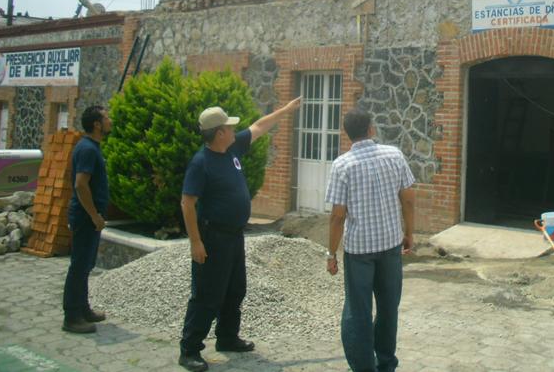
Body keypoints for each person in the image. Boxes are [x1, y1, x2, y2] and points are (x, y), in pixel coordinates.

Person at [178, 97, 301, 372]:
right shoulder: (201, 162)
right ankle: (189, 349)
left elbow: (258, 127)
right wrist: (195, 242)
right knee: (207, 294)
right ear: (219, 133)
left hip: (234, 237)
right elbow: (187, 203)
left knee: (235, 289)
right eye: (230, 128)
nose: (235, 131)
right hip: (213, 238)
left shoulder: (231, 150)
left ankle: (227, 337)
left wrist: (286, 110)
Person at [325, 108, 415, 372]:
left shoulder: (342, 165)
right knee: (389, 308)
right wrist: (409, 233)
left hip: (359, 251)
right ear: (371, 129)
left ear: (347, 135)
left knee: (358, 311)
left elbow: (337, 217)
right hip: (390, 245)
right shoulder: (394, 155)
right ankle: (386, 362)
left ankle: (364, 367)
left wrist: (331, 254)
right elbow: (408, 199)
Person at [62, 105, 112, 333]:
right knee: (79, 266)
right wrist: (94, 216)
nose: (110, 120)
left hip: (90, 218)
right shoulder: (88, 149)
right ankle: (72, 317)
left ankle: (83, 309)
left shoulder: (91, 147)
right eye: (106, 117)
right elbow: (81, 185)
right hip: (86, 218)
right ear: (97, 124)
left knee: (86, 265)